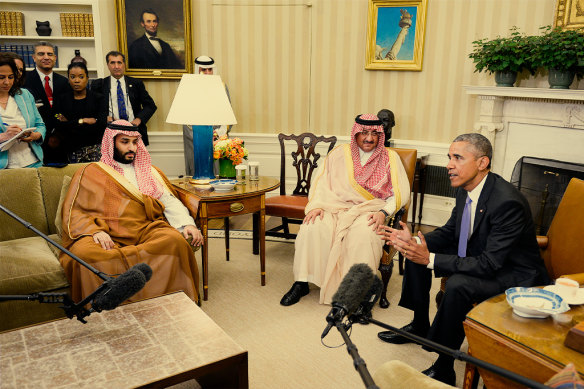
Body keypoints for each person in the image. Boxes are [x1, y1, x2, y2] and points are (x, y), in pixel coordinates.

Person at [376, 133, 549, 385]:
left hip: (515, 274)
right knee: (416, 250)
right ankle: (420, 325)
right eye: (449, 157)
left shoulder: (506, 202)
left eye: (458, 157)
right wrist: (413, 242)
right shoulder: (466, 187)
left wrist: (430, 259)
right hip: (484, 257)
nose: (449, 164)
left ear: (482, 163)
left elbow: (490, 264)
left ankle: (444, 365)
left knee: (458, 283)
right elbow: (450, 232)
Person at [59, 121, 203, 304]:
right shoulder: (91, 171)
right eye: (125, 142)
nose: (131, 148)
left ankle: (171, 303)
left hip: (144, 228)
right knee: (85, 255)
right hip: (106, 232)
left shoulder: (149, 172)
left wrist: (187, 224)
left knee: (174, 241)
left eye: (135, 143)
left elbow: (168, 200)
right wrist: (95, 231)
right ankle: (104, 311)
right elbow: (76, 210)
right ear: (111, 143)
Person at [280, 114, 411, 306]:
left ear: (380, 135)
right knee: (312, 227)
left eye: (374, 134)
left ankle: (359, 293)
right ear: (355, 133)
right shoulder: (339, 153)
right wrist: (316, 205)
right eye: (364, 133)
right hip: (334, 205)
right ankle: (302, 281)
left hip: (369, 209)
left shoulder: (390, 158)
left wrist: (383, 213)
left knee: (365, 235)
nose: (369, 138)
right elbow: (321, 182)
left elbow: (400, 193)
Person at [91, 51, 157, 145]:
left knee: (134, 159)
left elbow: (150, 105)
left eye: (119, 62)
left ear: (124, 64)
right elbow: (92, 108)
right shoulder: (99, 85)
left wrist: (138, 119)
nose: (116, 66)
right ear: (108, 65)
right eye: (112, 63)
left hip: (133, 131)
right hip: (109, 132)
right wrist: (104, 118)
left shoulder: (136, 84)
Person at [183, 55, 232, 176]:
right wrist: (204, 136)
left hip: (218, 136)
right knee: (198, 170)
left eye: (210, 69)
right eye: (204, 70)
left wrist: (218, 134)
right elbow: (186, 117)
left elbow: (227, 113)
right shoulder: (189, 88)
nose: (207, 72)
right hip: (196, 136)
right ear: (197, 70)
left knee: (218, 172)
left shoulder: (221, 86)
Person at [23, 41, 71, 164]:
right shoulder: (24, 81)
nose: (46, 57)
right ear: (33, 57)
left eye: (49, 54)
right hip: (35, 140)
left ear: (55, 58)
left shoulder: (64, 82)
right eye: (41, 54)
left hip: (61, 140)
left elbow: (65, 111)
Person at [53, 62, 107, 163]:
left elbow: (101, 124)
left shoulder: (98, 98)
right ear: (68, 79)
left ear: (87, 78)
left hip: (94, 147)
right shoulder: (61, 99)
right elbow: (57, 122)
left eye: (81, 77)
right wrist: (82, 121)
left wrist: (69, 123)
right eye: (72, 77)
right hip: (69, 148)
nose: (76, 81)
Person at [0, 53, 46, 169]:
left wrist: (35, 135)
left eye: (11, 77)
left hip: (33, 162)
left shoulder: (24, 95)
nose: (7, 82)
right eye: (1, 77)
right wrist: (4, 136)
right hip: (4, 168)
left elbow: (40, 125)